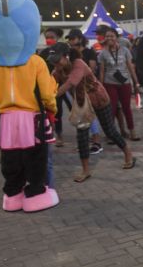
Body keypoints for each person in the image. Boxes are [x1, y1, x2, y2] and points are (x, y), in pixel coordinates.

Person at [0, 0, 59, 213]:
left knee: (10, 160)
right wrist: (52, 109)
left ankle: (12, 195)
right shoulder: (35, 62)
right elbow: (46, 93)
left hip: (5, 119)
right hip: (32, 118)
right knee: (35, 158)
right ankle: (35, 194)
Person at [50, 46, 137, 182]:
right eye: (53, 62)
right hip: (82, 104)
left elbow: (71, 83)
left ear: (66, 56)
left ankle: (128, 153)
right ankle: (86, 170)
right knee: (82, 136)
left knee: (110, 131)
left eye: (57, 61)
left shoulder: (78, 64)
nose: (56, 64)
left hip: (99, 100)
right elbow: (49, 82)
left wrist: (51, 96)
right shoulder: (57, 70)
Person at [98, 28, 141, 141]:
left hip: (125, 83)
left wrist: (136, 81)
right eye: (107, 36)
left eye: (112, 36)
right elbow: (102, 71)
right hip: (109, 83)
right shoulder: (103, 53)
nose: (109, 38)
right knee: (111, 109)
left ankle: (132, 132)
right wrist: (101, 86)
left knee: (127, 108)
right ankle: (111, 135)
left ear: (117, 37)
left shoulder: (125, 50)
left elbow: (130, 67)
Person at [39, 28, 71, 147]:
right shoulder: (43, 53)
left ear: (58, 37)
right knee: (56, 111)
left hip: (65, 85)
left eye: (51, 37)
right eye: (47, 37)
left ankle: (86, 131)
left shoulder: (65, 50)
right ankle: (57, 134)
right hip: (50, 85)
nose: (49, 40)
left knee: (75, 107)